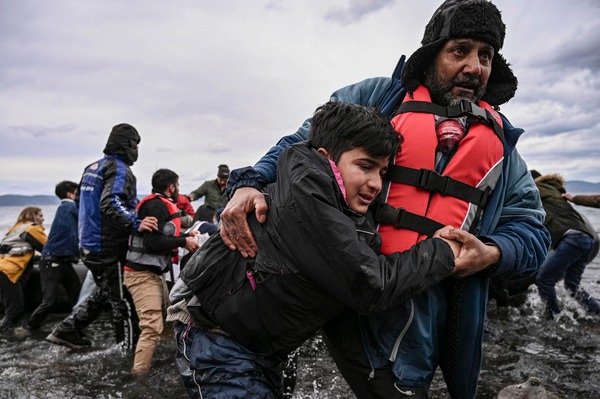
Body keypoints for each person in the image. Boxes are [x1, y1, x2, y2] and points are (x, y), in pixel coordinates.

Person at [218, 1, 551, 398]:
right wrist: (250, 181)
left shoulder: (503, 149)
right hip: (340, 291)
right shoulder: (376, 97)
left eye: (486, 56)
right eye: (459, 50)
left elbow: (532, 232)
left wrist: (494, 253)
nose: (474, 67)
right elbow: (299, 143)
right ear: (432, 54)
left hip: (421, 321)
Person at [167, 101, 461, 399]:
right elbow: (370, 284)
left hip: (258, 345)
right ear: (326, 157)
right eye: (365, 166)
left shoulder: (339, 205)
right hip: (215, 337)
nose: (375, 183)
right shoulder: (306, 195)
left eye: (383, 172)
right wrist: (443, 251)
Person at [46, 123, 158, 350]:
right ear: (129, 144)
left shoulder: (92, 167)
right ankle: (127, 353)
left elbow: (81, 204)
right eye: (135, 145)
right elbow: (111, 201)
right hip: (107, 248)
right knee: (123, 303)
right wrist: (137, 223)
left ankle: (66, 329)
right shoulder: (118, 169)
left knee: (108, 293)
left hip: (87, 245)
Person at [123, 168, 201, 377]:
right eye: (178, 186)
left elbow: (162, 234)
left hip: (154, 274)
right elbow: (152, 242)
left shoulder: (157, 204)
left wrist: (186, 234)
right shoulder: (156, 206)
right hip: (140, 275)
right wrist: (184, 241)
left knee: (168, 322)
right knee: (151, 325)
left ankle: (166, 363)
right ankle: (139, 376)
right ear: (172, 187)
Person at [532, 171, 600, 319]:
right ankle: (596, 312)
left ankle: (553, 319)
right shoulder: (555, 193)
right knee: (572, 285)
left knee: (544, 280)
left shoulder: (537, 189)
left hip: (572, 239)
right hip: (587, 238)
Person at [23, 181, 82, 331]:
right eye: (78, 194)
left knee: (78, 296)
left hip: (64, 261)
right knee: (49, 301)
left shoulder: (66, 209)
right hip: (52, 261)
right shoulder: (68, 206)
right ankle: (29, 327)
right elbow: (87, 215)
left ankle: (74, 327)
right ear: (70, 194)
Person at [0, 207, 47, 332]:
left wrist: (35, 258)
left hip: (2, 269)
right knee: (14, 310)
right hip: (8, 273)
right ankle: (4, 334)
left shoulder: (15, 229)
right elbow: (48, 247)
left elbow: (17, 250)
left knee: (13, 307)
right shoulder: (32, 228)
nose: (43, 219)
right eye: (41, 216)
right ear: (33, 216)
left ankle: (12, 332)